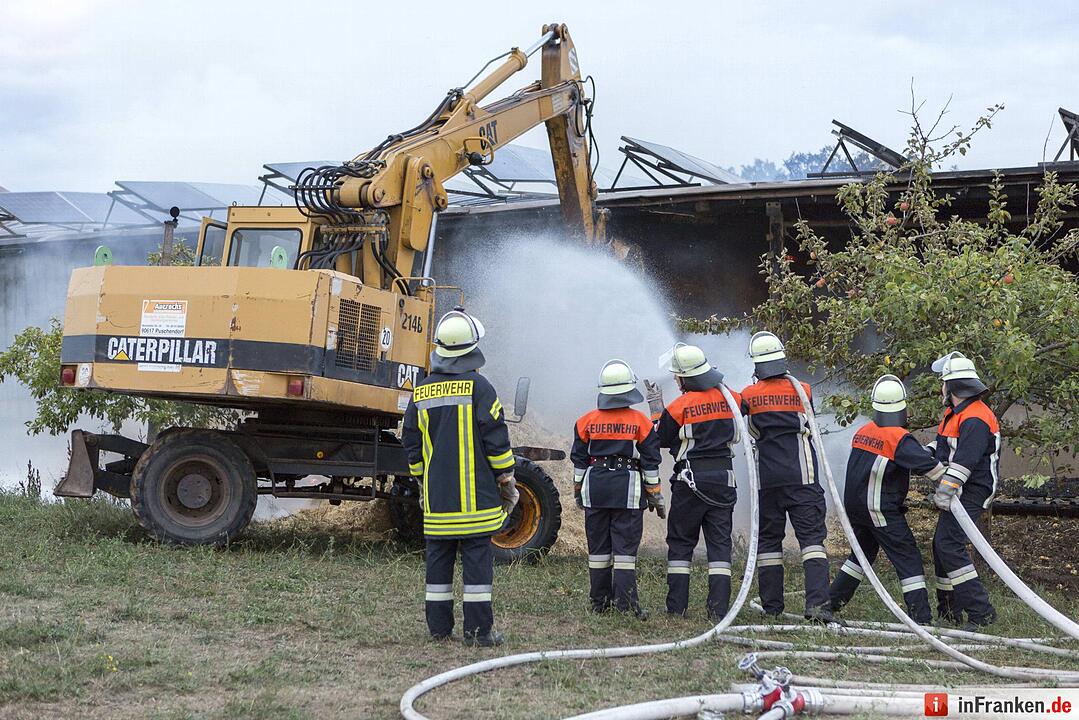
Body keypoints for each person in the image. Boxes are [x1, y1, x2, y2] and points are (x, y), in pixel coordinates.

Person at [401, 308, 519, 647]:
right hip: (476, 503)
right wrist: (506, 479)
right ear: (471, 349)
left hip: (438, 502)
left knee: (438, 564)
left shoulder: (421, 392)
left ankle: (439, 629)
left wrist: (422, 481)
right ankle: (478, 633)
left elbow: (412, 444)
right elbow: (496, 440)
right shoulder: (480, 388)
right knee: (477, 566)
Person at [829, 375, 947, 624]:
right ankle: (921, 619)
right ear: (902, 407)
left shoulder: (864, 431)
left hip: (856, 507)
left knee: (861, 556)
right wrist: (952, 475)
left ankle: (829, 604)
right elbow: (932, 470)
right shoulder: (899, 438)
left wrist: (929, 450)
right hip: (878, 509)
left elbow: (904, 457)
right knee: (908, 557)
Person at [740, 331, 836, 623]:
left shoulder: (748, 395)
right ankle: (817, 607)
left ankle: (772, 607)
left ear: (757, 364)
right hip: (802, 476)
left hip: (767, 479)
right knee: (812, 541)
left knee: (769, 542)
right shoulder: (803, 389)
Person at [652, 343, 743, 619]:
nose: (675, 380)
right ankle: (718, 611)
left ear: (685, 378)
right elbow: (745, 408)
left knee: (681, 543)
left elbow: (660, 439)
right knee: (720, 546)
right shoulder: (732, 399)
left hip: (689, 483)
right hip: (724, 482)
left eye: (677, 376)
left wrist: (656, 412)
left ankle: (676, 608)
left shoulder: (680, 406)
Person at [571, 359, 663, 618]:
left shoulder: (585, 421)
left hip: (595, 489)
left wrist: (578, 490)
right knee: (624, 552)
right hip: (627, 491)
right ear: (629, 390)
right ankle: (626, 605)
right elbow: (651, 462)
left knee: (598, 550)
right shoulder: (641, 422)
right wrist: (655, 495)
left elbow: (579, 461)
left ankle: (599, 603)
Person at [928, 352, 1000, 630]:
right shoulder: (955, 414)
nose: (941, 388)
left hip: (973, 490)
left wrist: (945, 491)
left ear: (953, 387)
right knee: (941, 545)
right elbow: (943, 448)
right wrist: (916, 454)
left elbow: (964, 462)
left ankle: (981, 613)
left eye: (943, 383)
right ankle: (949, 612)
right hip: (960, 488)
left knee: (948, 544)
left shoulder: (976, 417)